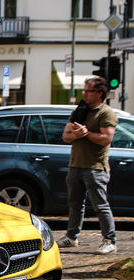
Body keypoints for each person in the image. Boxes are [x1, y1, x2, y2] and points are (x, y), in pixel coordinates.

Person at [57, 76, 118, 255]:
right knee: (75, 204)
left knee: (100, 205)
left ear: (99, 93)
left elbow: (106, 138)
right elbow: (66, 136)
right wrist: (75, 135)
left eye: (88, 91)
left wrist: (85, 133)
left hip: (95, 167)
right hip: (75, 165)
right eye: (83, 91)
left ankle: (110, 240)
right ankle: (71, 237)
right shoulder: (80, 110)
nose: (84, 94)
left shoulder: (106, 113)